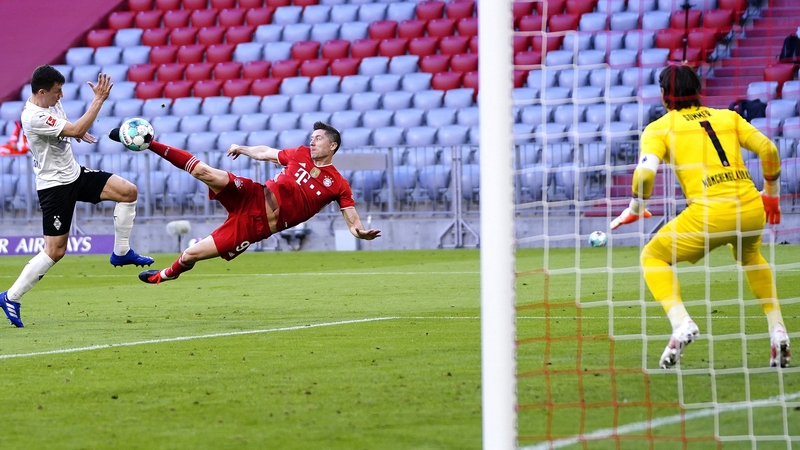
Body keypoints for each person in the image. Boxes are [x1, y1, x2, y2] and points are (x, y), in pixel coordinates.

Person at [610, 64, 791, 369]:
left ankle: (682, 323)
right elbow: (769, 149)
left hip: (709, 214)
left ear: (665, 96)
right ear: (698, 89)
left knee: (653, 256)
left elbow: (644, 174)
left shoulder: (659, 127)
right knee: (751, 258)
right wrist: (770, 195)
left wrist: (636, 208)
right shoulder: (728, 117)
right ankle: (778, 330)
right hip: (750, 208)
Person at [107, 121, 381, 284]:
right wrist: (243, 148)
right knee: (205, 172)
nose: (312, 141)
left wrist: (361, 233)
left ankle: (166, 274)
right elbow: (266, 152)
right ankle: (150, 143)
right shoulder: (299, 154)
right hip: (253, 194)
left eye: (318, 138)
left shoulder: (338, 185)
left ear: (332, 146)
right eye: (312, 137)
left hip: (254, 225)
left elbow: (353, 220)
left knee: (190, 255)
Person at [0, 65, 153, 328]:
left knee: (128, 192)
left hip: (74, 175)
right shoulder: (33, 116)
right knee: (55, 251)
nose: (60, 96)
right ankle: (11, 297)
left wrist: (77, 131)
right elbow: (71, 129)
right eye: (57, 92)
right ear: (41, 92)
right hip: (54, 187)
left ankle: (121, 251)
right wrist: (97, 101)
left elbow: (70, 128)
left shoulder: (51, 104)